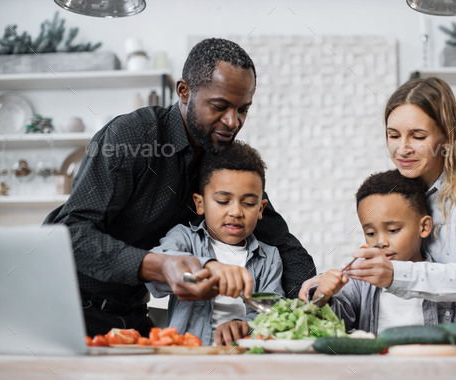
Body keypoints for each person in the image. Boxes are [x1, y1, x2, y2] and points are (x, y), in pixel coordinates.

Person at [43, 38, 315, 337]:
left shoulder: (223, 161)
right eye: (219, 106)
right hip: (61, 307)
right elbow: (69, 235)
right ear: (184, 92)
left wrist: (306, 306)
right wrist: (161, 266)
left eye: (243, 110)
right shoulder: (132, 137)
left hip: (129, 314)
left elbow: (284, 245)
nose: (232, 121)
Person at [301, 77, 456, 324]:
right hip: (448, 339)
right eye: (393, 135)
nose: (402, 149)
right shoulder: (402, 187)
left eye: (418, 137)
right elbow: (387, 249)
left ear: (446, 136)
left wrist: (393, 274)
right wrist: (330, 284)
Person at [146, 141, 284, 345]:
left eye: (248, 203)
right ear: (200, 204)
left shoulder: (270, 258)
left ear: (261, 209)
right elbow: (157, 269)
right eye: (222, 201)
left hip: (243, 360)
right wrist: (206, 269)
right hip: (189, 358)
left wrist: (247, 325)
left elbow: (273, 311)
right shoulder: (184, 239)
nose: (236, 212)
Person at [307, 170, 456, 334]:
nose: (382, 242)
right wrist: (322, 296)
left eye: (393, 230)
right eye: (371, 233)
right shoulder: (359, 283)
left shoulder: (445, 280)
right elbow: (329, 326)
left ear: (424, 227)